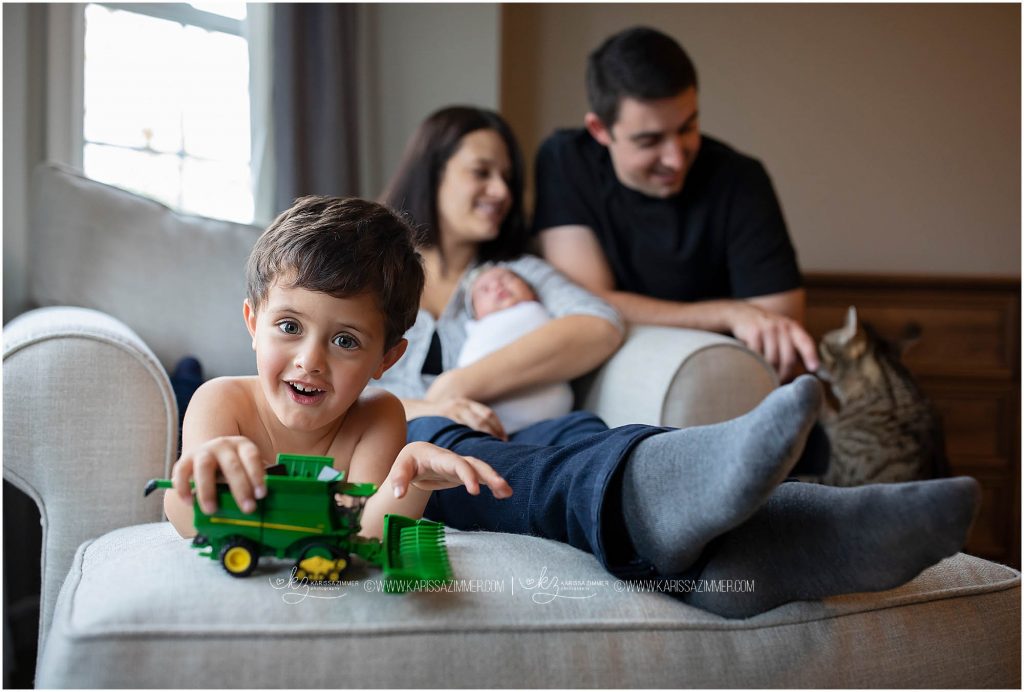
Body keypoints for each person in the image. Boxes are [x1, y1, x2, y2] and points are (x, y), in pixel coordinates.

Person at [378, 105, 980, 619]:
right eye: (482, 171)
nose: (504, 191)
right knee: (440, 445)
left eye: (508, 176)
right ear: (434, 171)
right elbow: (332, 384)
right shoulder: (374, 276)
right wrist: (434, 404)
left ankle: (740, 565)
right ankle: (760, 516)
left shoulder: (517, 273)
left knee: (585, 434)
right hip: (411, 442)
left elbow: (597, 326)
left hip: (520, 425)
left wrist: (463, 381)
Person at [163, 196, 512, 541]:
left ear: (386, 359)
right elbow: (185, 522)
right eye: (289, 327)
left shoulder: (378, 416)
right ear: (254, 324)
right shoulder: (220, 402)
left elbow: (362, 537)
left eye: (345, 341)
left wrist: (412, 482)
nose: (310, 361)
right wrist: (198, 477)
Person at [534, 26, 819, 383]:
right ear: (599, 131)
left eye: (687, 128)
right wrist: (729, 314)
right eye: (649, 140)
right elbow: (585, 303)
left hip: (719, 378)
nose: (675, 159)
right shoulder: (566, 160)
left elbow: (780, 322)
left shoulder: (740, 179)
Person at [458, 265, 574, 433]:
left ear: (532, 291)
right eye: (484, 289)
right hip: (496, 427)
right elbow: (467, 367)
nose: (498, 286)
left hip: (557, 421)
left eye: (508, 279)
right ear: (475, 313)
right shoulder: (478, 331)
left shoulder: (536, 312)